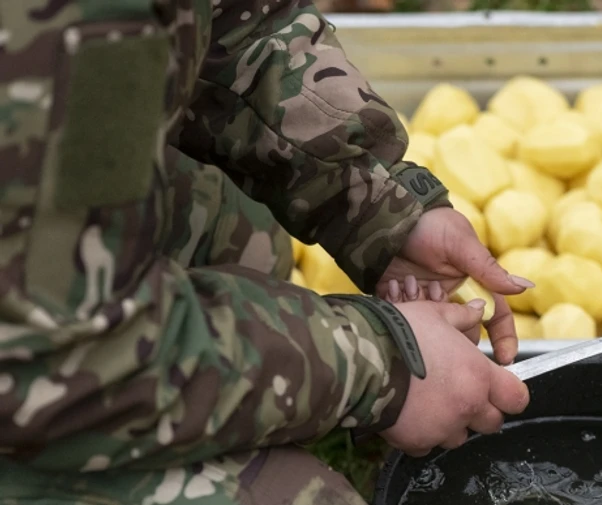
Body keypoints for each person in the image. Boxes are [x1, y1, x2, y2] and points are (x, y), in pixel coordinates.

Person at [0, 1, 533, 503]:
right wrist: (381, 365)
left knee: (236, 237)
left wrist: (377, 207)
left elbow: (236, 20)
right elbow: (65, 353)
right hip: (38, 354)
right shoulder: (60, 25)